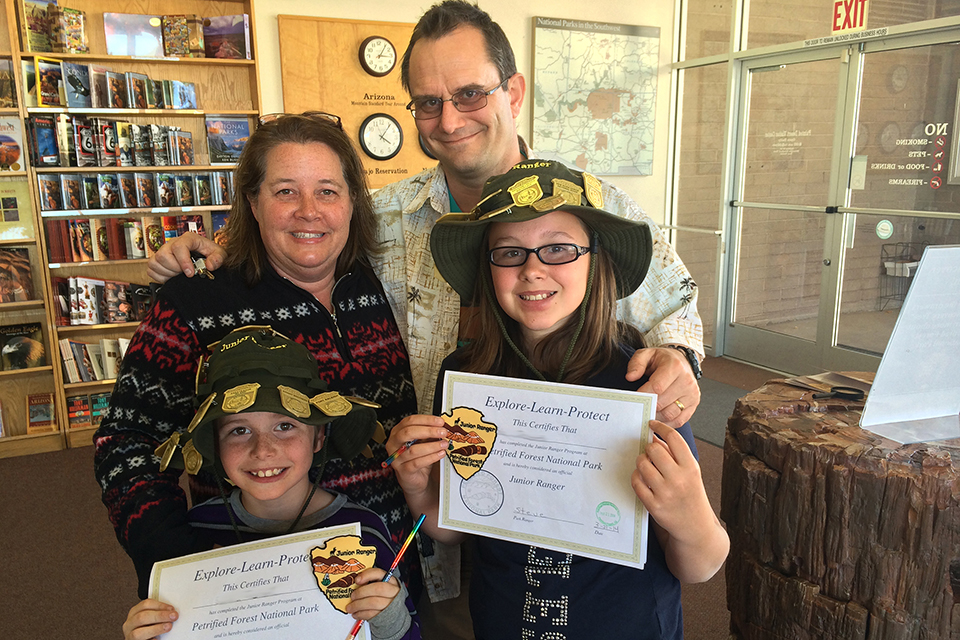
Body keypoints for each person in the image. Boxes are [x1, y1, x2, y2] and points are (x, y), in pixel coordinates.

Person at [147, 0, 703, 431]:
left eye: (468, 94)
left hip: (552, 491)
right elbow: (298, 230)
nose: (449, 119)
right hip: (422, 502)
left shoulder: (597, 207)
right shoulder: (384, 214)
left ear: (513, 93)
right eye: (428, 102)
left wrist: (680, 359)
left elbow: (676, 302)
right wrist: (209, 249)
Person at [387, 160, 729, 638]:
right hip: (504, 621)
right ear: (488, 270)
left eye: (559, 249)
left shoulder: (639, 381)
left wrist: (691, 516)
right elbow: (456, 522)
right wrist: (418, 486)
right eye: (509, 253)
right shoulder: (466, 376)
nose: (532, 270)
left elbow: (700, 565)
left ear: (597, 260)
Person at [94, 113, 423, 603]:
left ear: (354, 202)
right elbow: (125, 442)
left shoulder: (375, 280)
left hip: (382, 572)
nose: (309, 211)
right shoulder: (197, 302)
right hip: (257, 583)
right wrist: (175, 561)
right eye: (285, 191)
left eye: (328, 191)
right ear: (253, 201)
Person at [122, 327, 420, 640]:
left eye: (285, 425)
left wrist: (389, 616)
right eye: (239, 430)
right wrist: (149, 631)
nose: (263, 450)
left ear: (318, 436)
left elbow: (408, 634)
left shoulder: (363, 532)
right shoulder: (194, 534)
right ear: (215, 445)